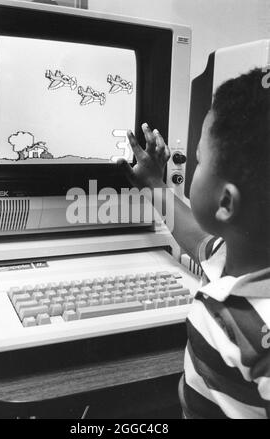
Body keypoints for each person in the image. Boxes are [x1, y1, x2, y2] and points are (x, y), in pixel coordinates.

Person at [118, 68, 270, 419]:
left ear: (225, 203)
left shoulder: (254, 331)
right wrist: (155, 184)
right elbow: (199, 240)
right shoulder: (238, 255)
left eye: (199, 160)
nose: (190, 165)